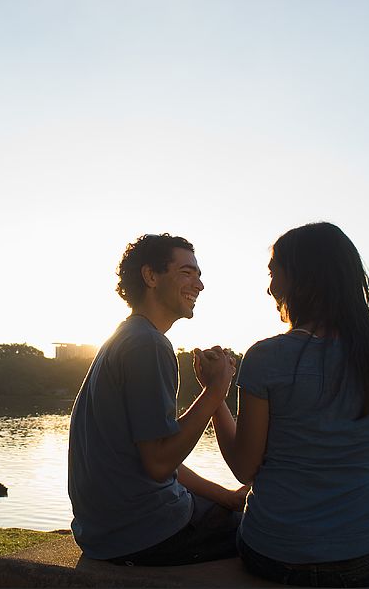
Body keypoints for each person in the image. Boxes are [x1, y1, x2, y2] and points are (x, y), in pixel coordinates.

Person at [210, 222, 369, 586]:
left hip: (274, 555)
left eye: (274, 272)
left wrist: (215, 394)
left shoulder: (266, 357)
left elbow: (244, 469)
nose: (269, 287)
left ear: (301, 278)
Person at [68, 233, 246, 566]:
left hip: (102, 533)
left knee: (229, 510)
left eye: (199, 274)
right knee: (268, 536)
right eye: (187, 272)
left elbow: (152, 456)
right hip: (145, 533)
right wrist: (217, 389)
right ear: (151, 276)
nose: (200, 285)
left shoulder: (125, 338)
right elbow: (160, 463)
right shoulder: (148, 345)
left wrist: (227, 498)